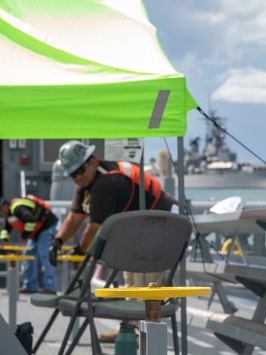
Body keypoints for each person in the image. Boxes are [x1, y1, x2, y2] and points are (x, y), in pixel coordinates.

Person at [49, 140, 181, 341]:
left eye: (80, 169)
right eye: (72, 174)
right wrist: (58, 240)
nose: (78, 177)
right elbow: (74, 218)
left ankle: (148, 340)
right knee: (130, 283)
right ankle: (128, 331)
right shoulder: (88, 183)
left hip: (162, 225)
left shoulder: (105, 183)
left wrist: (80, 250)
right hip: (139, 230)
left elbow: (93, 228)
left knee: (149, 286)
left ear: (92, 161)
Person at [0, 194, 59, 295]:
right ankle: (30, 286)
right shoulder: (9, 214)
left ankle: (50, 287)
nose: (1, 215)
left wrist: (24, 236)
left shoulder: (17, 208)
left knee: (45, 254)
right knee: (28, 255)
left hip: (46, 228)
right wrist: (4, 240)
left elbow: (31, 220)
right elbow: (6, 229)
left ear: (3, 206)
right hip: (36, 232)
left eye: (0, 212)